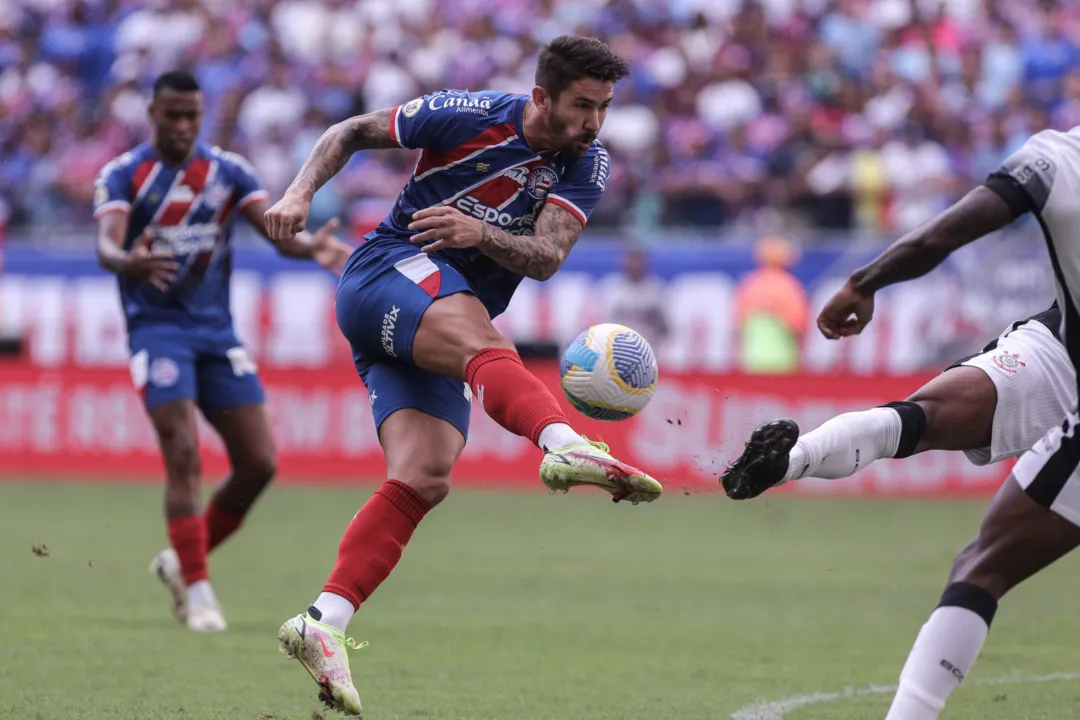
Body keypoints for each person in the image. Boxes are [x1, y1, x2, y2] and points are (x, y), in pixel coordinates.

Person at [262, 35, 661, 715]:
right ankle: (565, 446)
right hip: (387, 269)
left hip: (430, 314)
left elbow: (543, 257)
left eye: (604, 107)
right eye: (582, 106)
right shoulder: (469, 114)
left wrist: (483, 237)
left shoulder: (586, 165)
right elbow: (353, 129)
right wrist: (299, 194)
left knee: (425, 474)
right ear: (542, 98)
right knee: (483, 339)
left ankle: (322, 622)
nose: (594, 123)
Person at [731, 126, 1080, 720]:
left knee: (984, 561)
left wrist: (864, 283)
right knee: (925, 416)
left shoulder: (1059, 157)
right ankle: (789, 460)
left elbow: (950, 231)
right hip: (1065, 344)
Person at [94, 70, 351, 633]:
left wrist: (312, 248)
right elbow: (107, 246)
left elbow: (275, 233)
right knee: (182, 451)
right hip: (157, 330)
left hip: (217, 334)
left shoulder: (228, 171)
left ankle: (181, 562)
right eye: (173, 115)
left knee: (259, 463)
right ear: (153, 115)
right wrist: (126, 259)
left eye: (192, 115)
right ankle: (200, 588)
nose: (184, 125)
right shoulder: (124, 175)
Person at [721, 301, 1072, 499]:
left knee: (911, 423)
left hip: (1062, 352)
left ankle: (790, 464)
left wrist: (868, 281)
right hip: (1063, 348)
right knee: (914, 421)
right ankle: (782, 464)